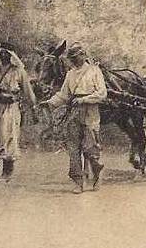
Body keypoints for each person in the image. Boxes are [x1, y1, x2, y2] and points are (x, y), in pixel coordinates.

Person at [38, 43, 107, 193]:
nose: (74, 61)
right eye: (72, 59)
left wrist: (85, 99)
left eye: (76, 58)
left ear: (83, 56)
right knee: (73, 148)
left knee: (90, 148)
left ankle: (97, 173)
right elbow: (64, 95)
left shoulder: (94, 71)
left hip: (90, 111)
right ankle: (78, 182)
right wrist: (49, 103)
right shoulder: (70, 74)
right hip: (74, 112)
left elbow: (102, 94)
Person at [0, 41, 36, 182]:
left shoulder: (18, 71)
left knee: (8, 136)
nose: (3, 55)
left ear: (11, 55)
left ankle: (7, 170)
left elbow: (28, 91)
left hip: (11, 108)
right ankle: (5, 167)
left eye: (6, 53)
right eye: (1, 53)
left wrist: (33, 107)